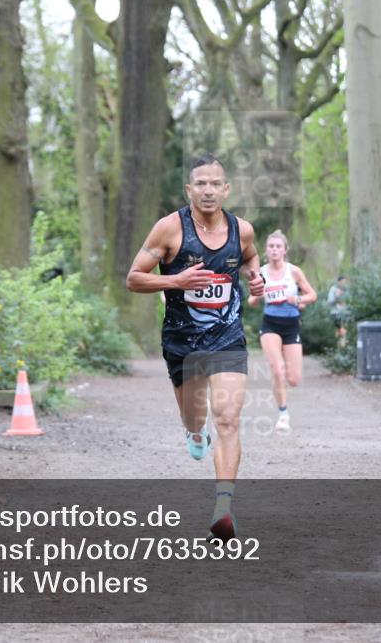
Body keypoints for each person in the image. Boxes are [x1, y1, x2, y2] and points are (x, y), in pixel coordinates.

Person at [126, 154, 264, 541]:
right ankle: (193, 433)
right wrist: (176, 282)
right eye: (200, 183)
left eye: (214, 183)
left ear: (226, 189)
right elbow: (134, 279)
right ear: (189, 190)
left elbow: (252, 259)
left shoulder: (243, 230)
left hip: (227, 336)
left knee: (229, 418)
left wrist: (255, 278)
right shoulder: (169, 230)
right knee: (196, 418)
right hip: (182, 341)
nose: (207, 190)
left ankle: (223, 509)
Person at [248, 230, 317, 432]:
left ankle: (286, 382)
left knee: (294, 379)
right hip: (270, 324)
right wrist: (259, 294)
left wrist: (297, 299)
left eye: (278, 246)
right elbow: (251, 301)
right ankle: (283, 414)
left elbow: (312, 295)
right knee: (277, 370)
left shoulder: (293, 272)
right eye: (271, 246)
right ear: (266, 251)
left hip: (292, 325)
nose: (274, 250)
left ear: (285, 250)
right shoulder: (261, 272)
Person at [327, 275, 350, 347]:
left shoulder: (347, 290)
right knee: (339, 331)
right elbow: (330, 301)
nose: (344, 283)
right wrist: (337, 297)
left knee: (343, 331)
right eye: (342, 281)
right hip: (336, 313)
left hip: (345, 313)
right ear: (338, 282)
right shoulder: (333, 289)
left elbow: (349, 301)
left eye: (345, 282)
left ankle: (341, 348)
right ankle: (339, 348)